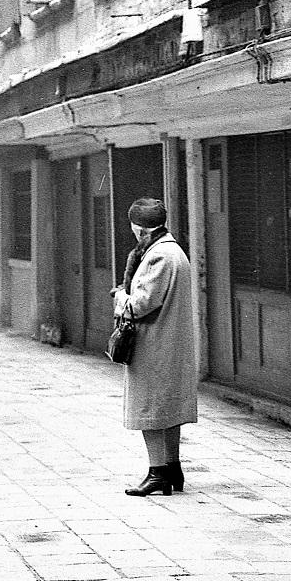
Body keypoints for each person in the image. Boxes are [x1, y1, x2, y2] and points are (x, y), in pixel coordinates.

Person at [113, 198, 198, 497]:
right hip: (169, 342)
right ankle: (172, 468)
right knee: (168, 408)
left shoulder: (157, 256)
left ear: (139, 229)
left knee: (149, 408)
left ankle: (157, 473)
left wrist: (120, 298)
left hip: (154, 344)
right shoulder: (174, 251)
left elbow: (141, 304)